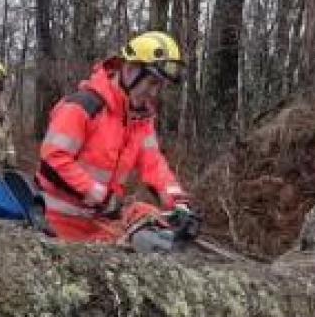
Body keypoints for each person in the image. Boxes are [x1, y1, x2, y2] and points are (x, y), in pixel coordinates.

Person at [36, 31, 196, 244]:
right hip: (55, 221)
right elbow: (53, 158)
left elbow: (154, 164)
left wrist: (177, 202)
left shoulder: (140, 120)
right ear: (129, 70)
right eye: (151, 83)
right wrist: (98, 194)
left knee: (151, 229)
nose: (154, 93)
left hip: (98, 221)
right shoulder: (84, 106)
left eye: (159, 86)